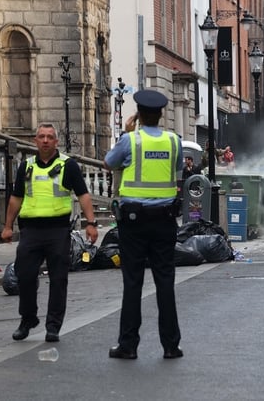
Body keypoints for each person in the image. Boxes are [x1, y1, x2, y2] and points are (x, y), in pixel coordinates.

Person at [104, 89, 184, 360]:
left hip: (134, 223)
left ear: (138, 115)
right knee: (165, 283)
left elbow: (109, 162)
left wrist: (125, 133)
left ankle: (128, 345)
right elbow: (175, 172)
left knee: (133, 283)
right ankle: (171, 345)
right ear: (161, 115)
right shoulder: (174, 142)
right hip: (164, 221)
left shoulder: (130, 141)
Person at [0, 123, 98, 343]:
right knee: (24, 276)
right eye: (41, 137)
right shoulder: (26, 166)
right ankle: (28, 319)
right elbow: (16, 198)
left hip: (57, 230)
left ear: (56, 142)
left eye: (50, 137)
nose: (45, 140)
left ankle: (53, 325)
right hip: (31, 231)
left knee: (58, 279)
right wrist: (7, 226)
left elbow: (83, 195)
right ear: (35, 141)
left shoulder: (68, 165)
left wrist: (90, 223)